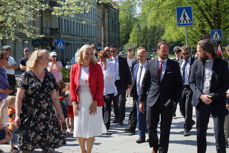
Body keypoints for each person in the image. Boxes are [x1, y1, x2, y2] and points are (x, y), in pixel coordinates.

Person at [15, 49, 65, 153]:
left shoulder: (50, 76)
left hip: (48, 117)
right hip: (30, 117)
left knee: (48, 148)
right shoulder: (26, 76)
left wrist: (60, 114)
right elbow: (19, 97)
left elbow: (55, 98)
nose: (49, 60)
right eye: (47, 58)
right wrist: (17, 115)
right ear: (38, 60)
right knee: (26, 148)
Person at [139, 41, 182, 153]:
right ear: (158, 50)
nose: (165, 52)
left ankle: (163, 150)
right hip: (152, 100)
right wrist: (141, 101)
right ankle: (155, 145)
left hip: (168, 102)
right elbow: (144, 83)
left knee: (165, 129)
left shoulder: (174, 65)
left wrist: (174, 101)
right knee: (150, 127)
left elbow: (179, 86)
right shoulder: (150, 63)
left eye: (167, 50)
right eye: (163, 50)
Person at [189, 40, 229, 153]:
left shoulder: (222, 64)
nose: (196, 53)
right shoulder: (196, 63)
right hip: (201, 103)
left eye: (198, 51)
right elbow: (191, 83)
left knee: (219, 132)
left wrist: (211, 96)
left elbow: (225, 85)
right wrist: (201, 96)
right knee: (200, 132)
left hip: (217, 102)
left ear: (206, 51)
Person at [70, 44, 104, 153]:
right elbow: (71, 86)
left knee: (90, 128)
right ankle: (83, 150)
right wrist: (74, 102)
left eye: (91, 54)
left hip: (92, 101)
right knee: (79, 128)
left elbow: (100, 86)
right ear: (81, 53)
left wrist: (95, 101)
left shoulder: (96, 67)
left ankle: (88, 151)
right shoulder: (74, 67)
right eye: (86, 53)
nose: (89, 56)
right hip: (79, 102)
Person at [110, 45, 132, 125]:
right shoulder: (108, 60)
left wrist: (129, 83)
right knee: (115, 101)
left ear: (117, 52)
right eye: (111, 51)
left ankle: (121, 118)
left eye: (114, 51)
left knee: (121, 100)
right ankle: (116, 116)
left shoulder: (123, 60)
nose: (112, 53)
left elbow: (127, 72)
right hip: (112, 83)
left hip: (121, 82)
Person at [131, 47, 148, 143]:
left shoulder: (150, 66)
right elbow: (135, 80)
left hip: (148, 95)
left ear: (146, 56)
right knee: (140, 116)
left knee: (149, 117)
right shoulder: (136, 66)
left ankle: (151, 134)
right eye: (138, 56)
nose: (140, 57)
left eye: (142, 55)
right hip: (137, 95)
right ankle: (141, 135)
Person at [98, 50, 117, 132]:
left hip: (109, 89)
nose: (102, 61)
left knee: (107, 107)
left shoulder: (111, 65)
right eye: (100, 59)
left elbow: (112, 76)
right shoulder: (97, 65)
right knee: (100, 108)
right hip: (100, 90)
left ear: (106, 58)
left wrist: (105, 68)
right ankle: (101, 124)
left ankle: (106, 125)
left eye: (103, 59)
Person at [179, 46, 195, 136]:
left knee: (188, 107)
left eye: (187, 53)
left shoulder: (195, 62)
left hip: (190, 87)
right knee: (181, 108)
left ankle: (187, 128)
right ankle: (190, 121)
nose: (185, 55)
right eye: (184, 53)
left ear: (190, 53)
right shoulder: (179, 62)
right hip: (181, 87)